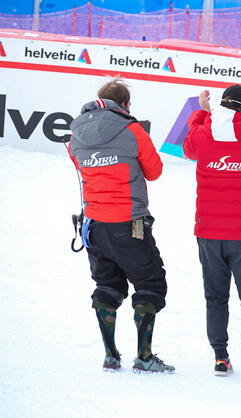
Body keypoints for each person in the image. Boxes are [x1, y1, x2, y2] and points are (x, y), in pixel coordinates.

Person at [68, 78, 172, 373]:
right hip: (132, 223)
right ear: (125, 105)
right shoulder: (133, 130)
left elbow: (81, 165)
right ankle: (144, 357)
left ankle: (111, 355)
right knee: (150, 283)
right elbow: (155, 171)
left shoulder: (76, 134)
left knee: (106, 284)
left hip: (94, 225)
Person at [182, 85, 241, 385]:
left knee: (215, 298)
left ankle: (221, 359)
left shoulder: (201, 133)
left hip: (209, 233)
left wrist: (203, 113)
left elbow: (188, 146)